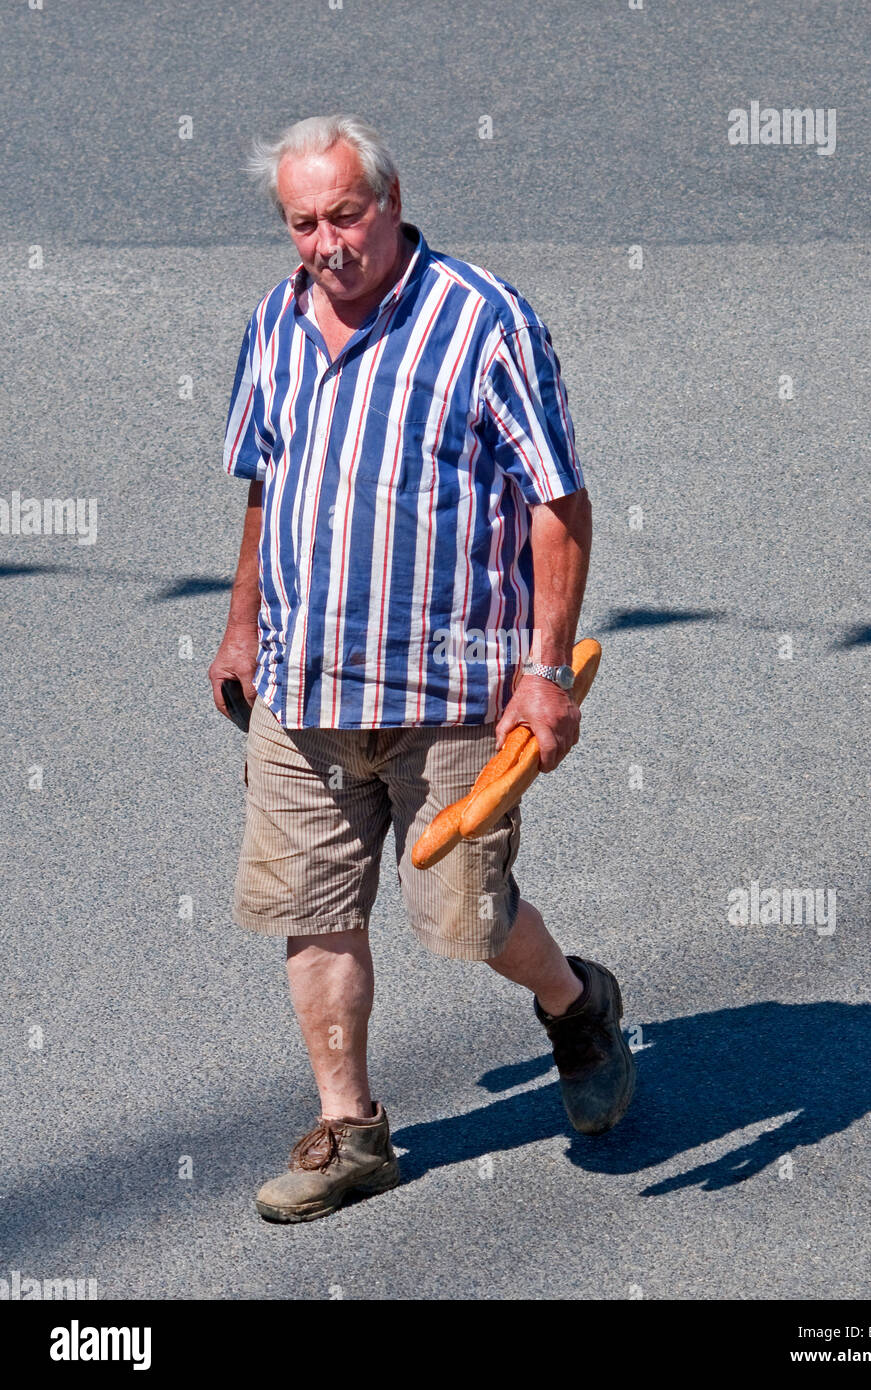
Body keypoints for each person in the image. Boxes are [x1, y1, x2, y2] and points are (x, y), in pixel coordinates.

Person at [208, 114, 635, 1224]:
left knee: (467, 920)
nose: (327, 243)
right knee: (312, 909)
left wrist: (542, 670)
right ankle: (352, 1131)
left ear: (391, 201)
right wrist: (242, 623)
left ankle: (576, 1002)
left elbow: (560, 503)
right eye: (304, 223)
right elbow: (268, 480)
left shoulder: (483, 322)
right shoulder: (273, 322)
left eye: (346, 215)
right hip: (303, 688)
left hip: (453, 695)